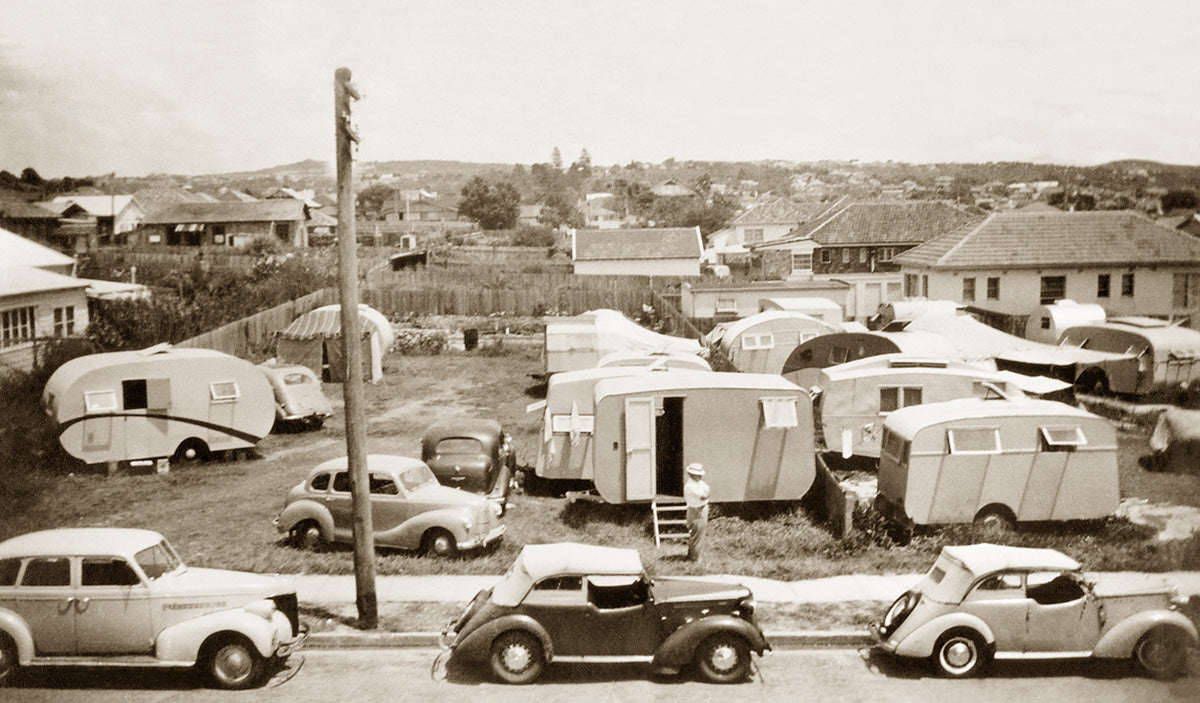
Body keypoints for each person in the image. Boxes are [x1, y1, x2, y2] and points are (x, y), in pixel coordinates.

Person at [683, 463, 710, 562]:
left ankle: (691, 555)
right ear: (691, 474)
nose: (700, 476)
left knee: (695, 534)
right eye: (697, 474)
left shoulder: (698, 483)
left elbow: (707, 490)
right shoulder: (691, 486)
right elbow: (704, 496)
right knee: (698, 535)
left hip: (697, 509)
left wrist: (707, 492)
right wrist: (707, 493)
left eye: (700, 474)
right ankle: (695, 559)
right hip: (697, 511)